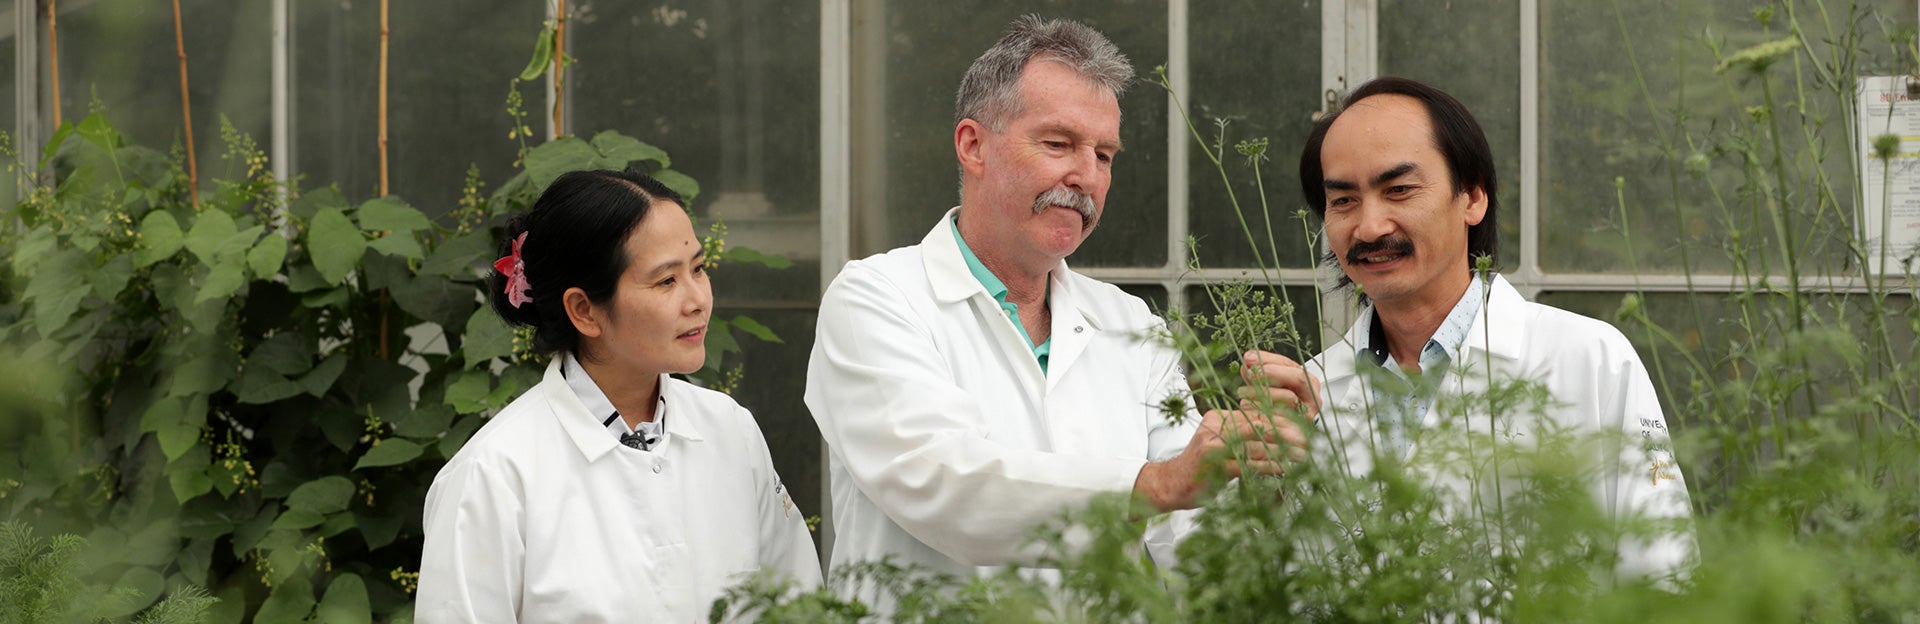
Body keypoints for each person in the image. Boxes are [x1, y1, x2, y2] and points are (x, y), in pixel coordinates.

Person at [804, 15, 1316, 593]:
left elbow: (1193, 553)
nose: (1086, 176)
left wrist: (1259, 477)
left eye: (1105, 155)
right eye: (1058, 144)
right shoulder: (876, 297)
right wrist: (1157, 484)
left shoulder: (1131, 325)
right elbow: (942, 483)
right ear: (973, 145)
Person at [1285, 76, 1693, 578]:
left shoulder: (1589, 360)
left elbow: (1663, 574)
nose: (1369, 227)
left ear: (1472, 197)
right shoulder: (1311, 394)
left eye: (1399, 190)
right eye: (1343, 201)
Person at [417, 169, 821, 622]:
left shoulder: (729, 429)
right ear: (584, 310)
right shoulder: (493, 475)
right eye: (666, 281)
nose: (698, 299)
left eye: (699, 269)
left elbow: (799, 601)